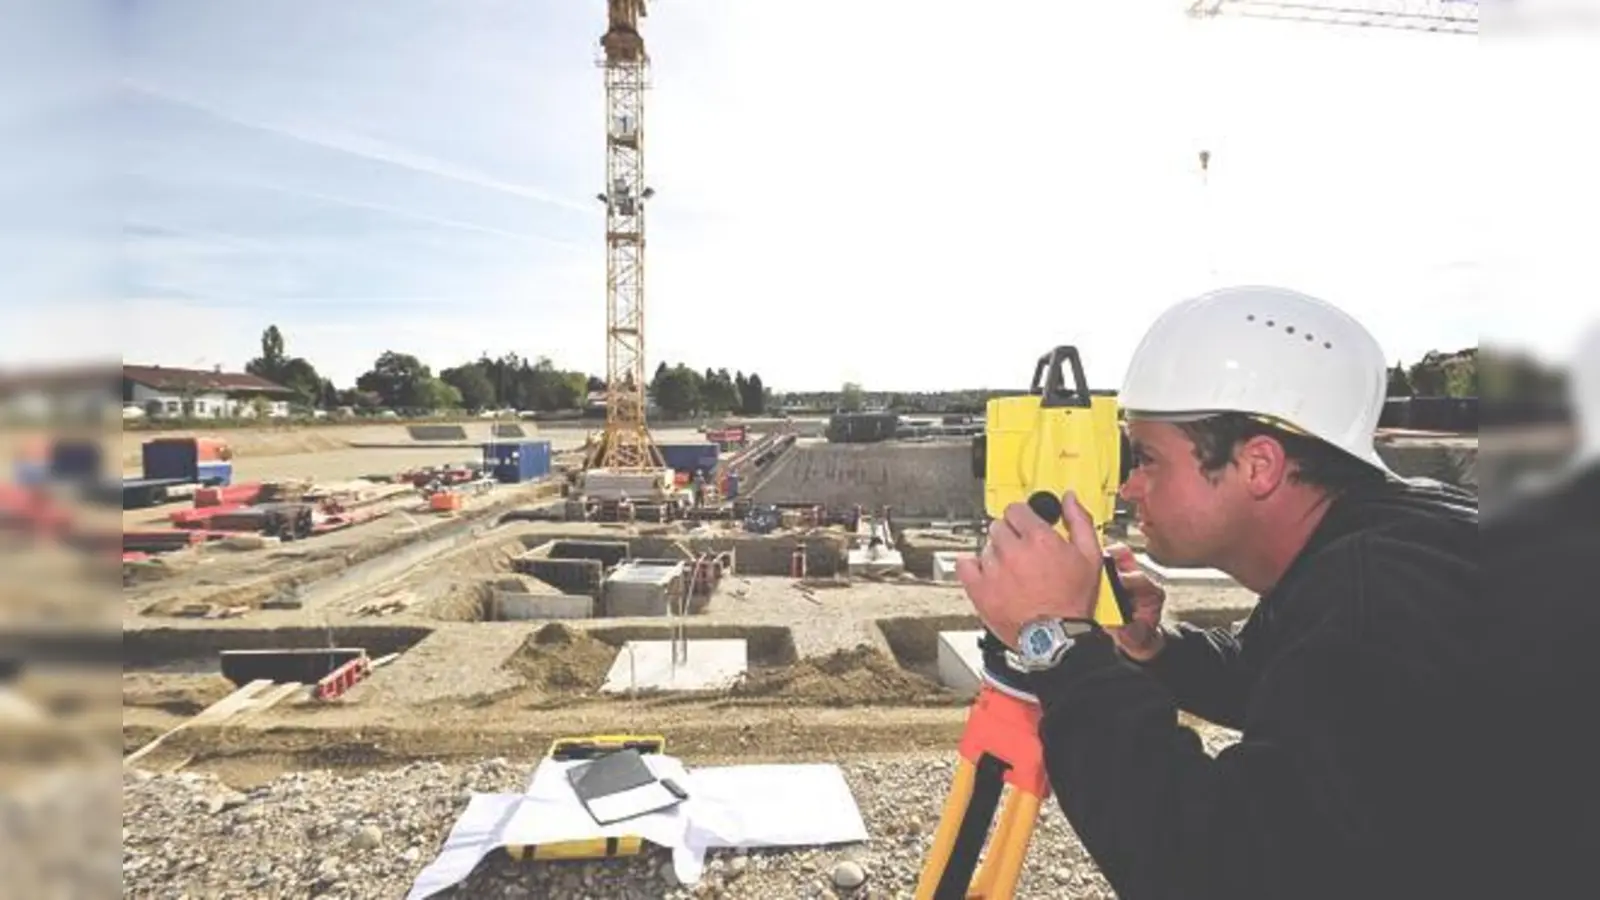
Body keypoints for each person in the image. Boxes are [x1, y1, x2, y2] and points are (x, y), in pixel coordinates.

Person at [957, 285, 1483, 900]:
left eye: (1147, 458)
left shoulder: (1384, 602)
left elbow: (1219, 868)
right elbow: (1292, 678)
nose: (1128, 488)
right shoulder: (1384, 543)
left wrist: (1055, 641)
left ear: (1258, 465)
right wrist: (1155, 649)